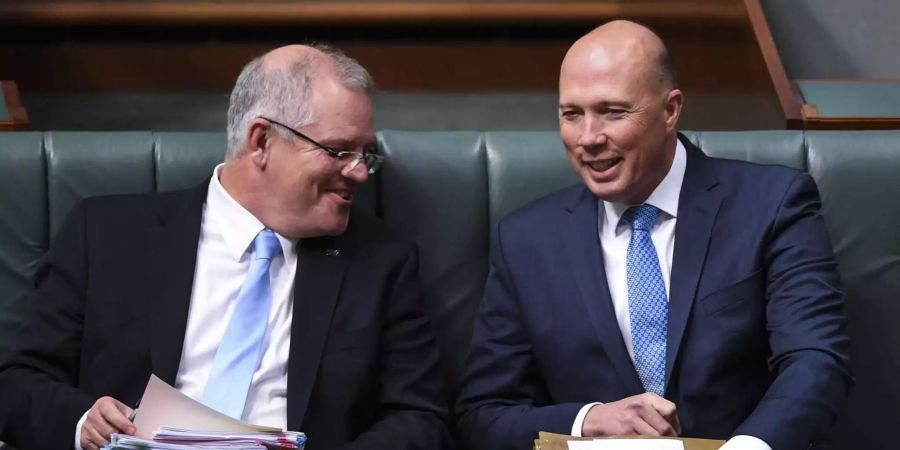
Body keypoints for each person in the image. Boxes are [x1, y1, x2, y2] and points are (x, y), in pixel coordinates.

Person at [0, 44, 452, 450]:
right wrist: (83, 424)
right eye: (338, 152)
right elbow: (19, 382)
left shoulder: (381, 261)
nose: (359, 173)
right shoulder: (105, 235)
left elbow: (421, 418)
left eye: (364, 154)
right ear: (261, 142)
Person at [457, 20, 851, 450]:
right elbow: (485, 413)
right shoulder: (526, 241)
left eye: (613, 112)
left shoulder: (773, 205)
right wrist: (588, 420)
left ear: (670, 110)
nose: (588, 138)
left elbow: (815, 362)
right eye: (572, 114)